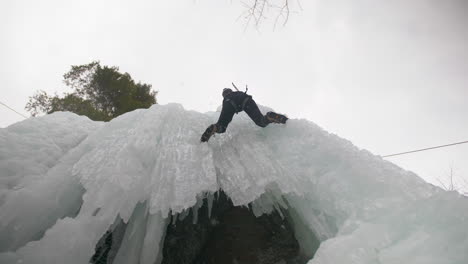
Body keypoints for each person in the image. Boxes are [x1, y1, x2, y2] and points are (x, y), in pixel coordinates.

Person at [201, 87, 288, 142]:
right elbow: (243, 96)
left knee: (222, 126)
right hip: (246, 100)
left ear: (224, 95)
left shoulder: (226, 98)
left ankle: (215, 128)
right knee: (260, 121)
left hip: (229, 104)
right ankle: (269, 117)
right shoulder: (238, 93)